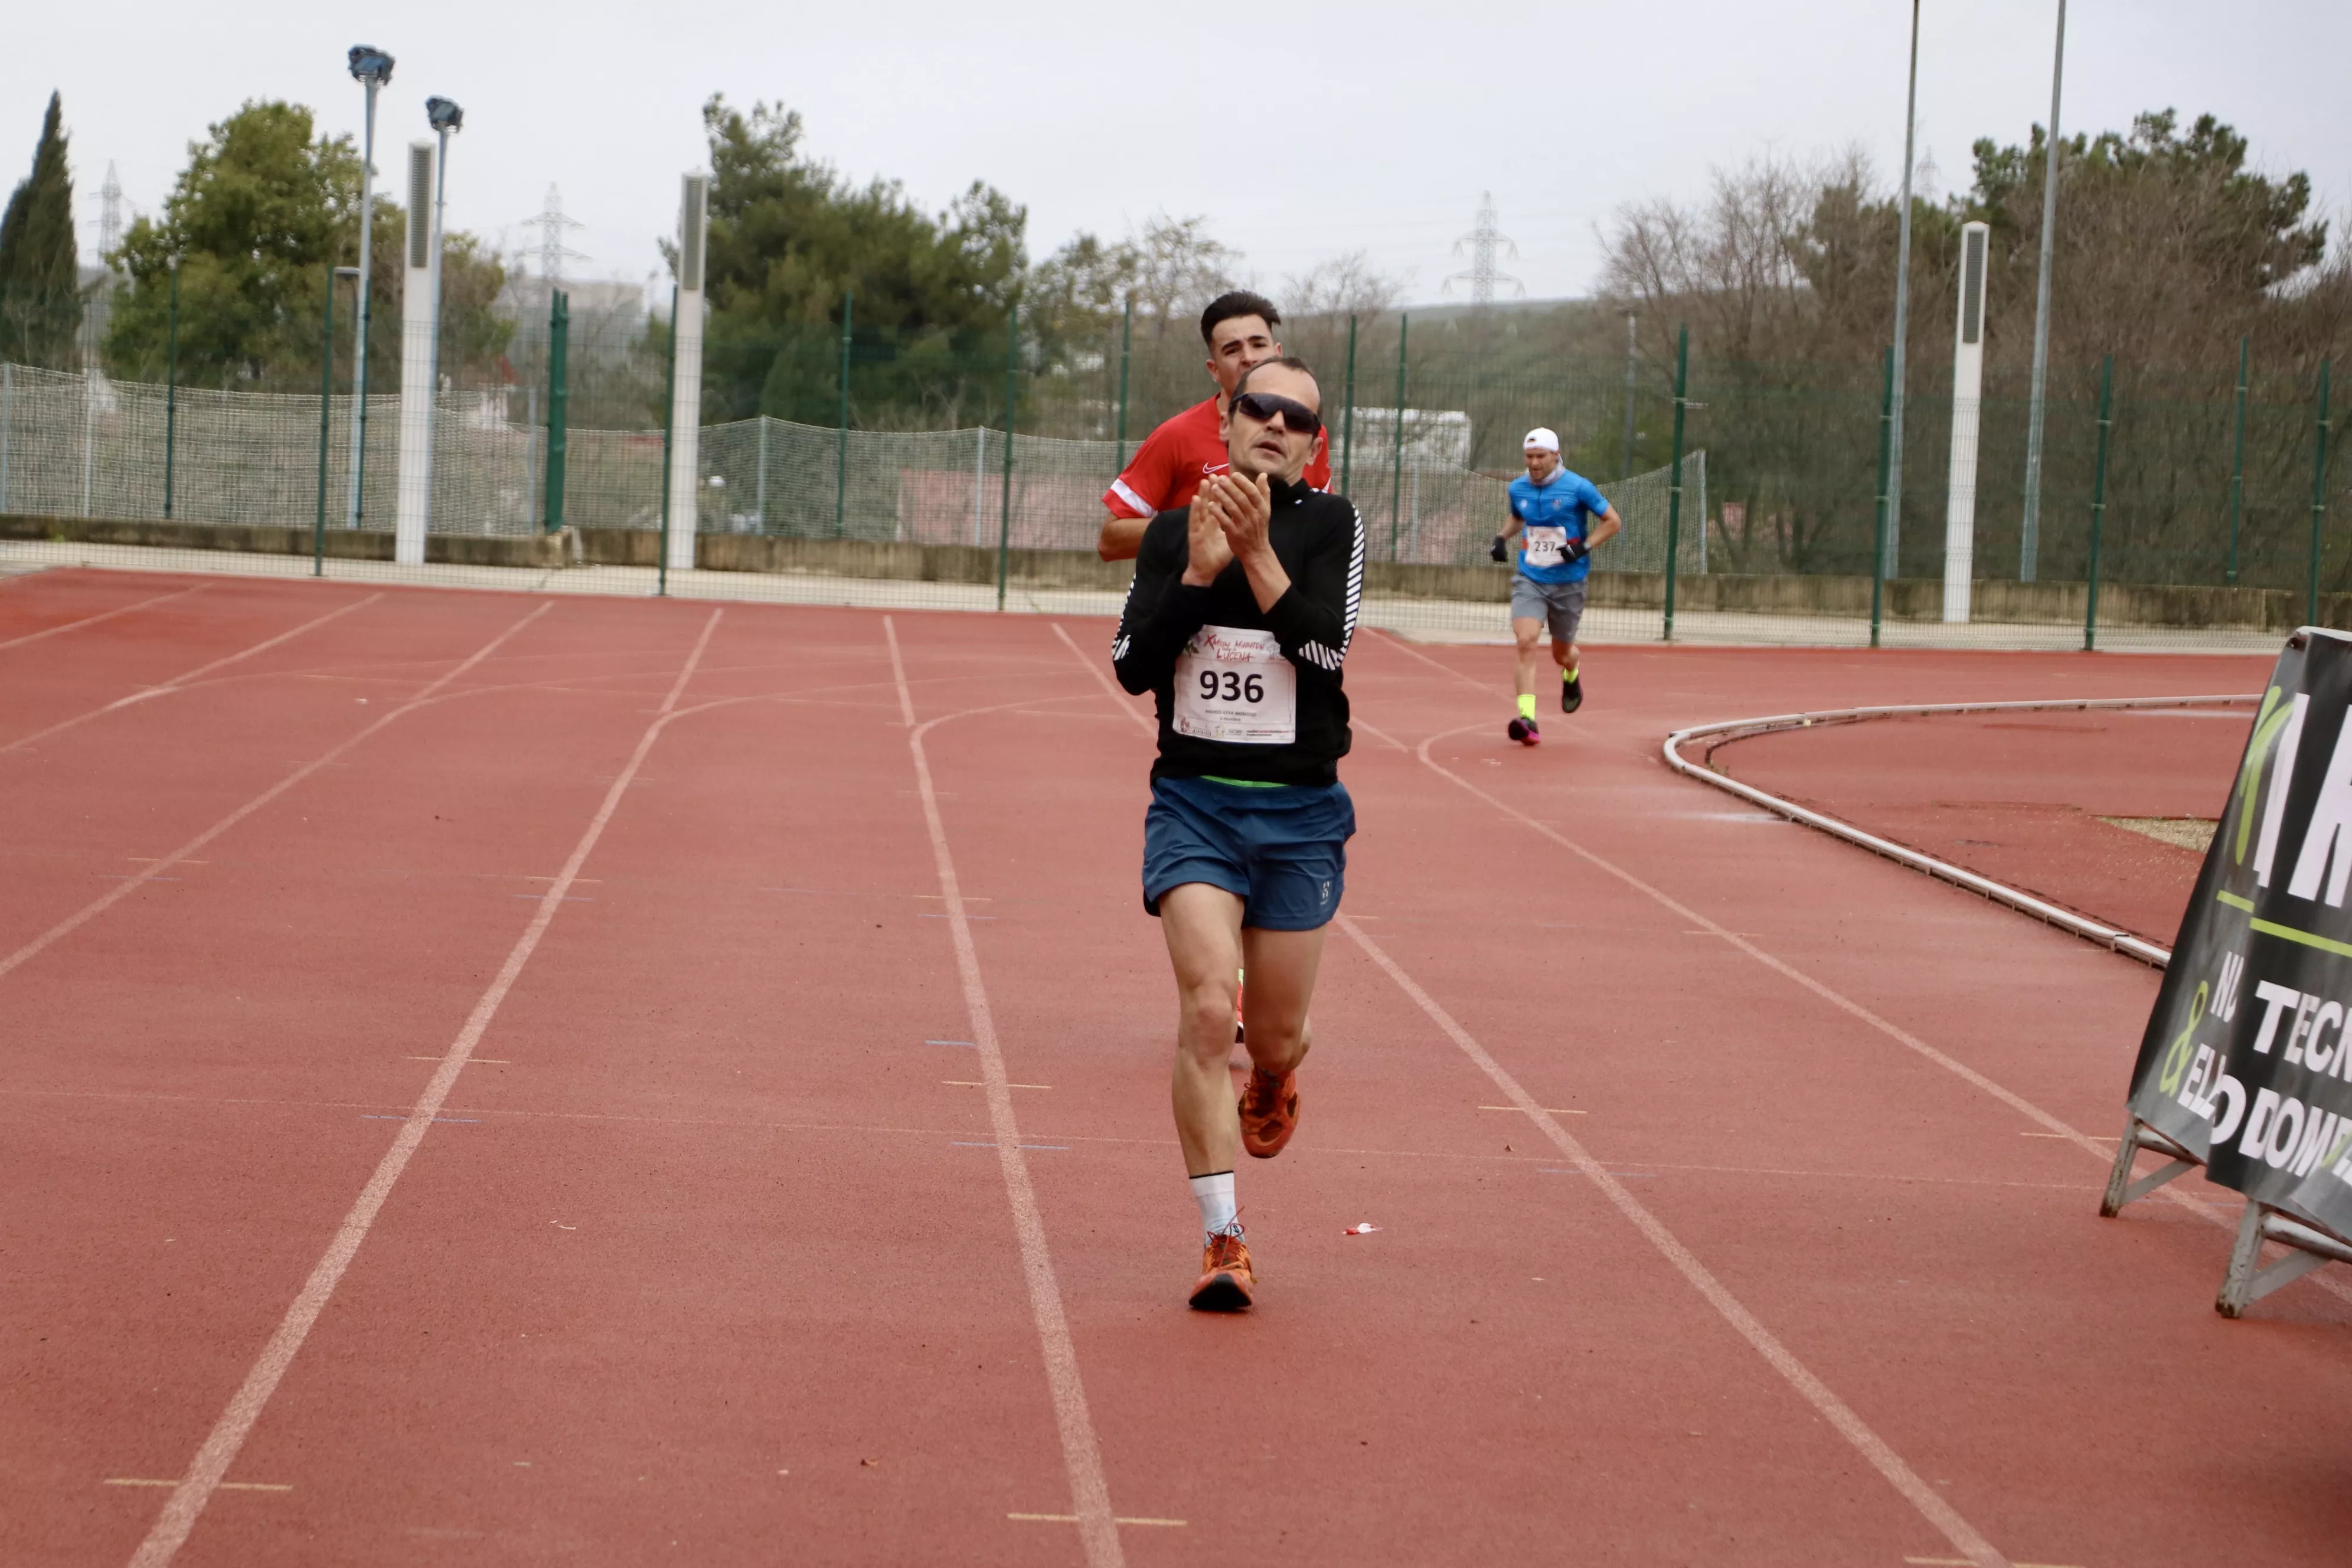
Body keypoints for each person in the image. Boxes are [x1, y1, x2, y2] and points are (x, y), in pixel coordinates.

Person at [1111, 357, 1363, 1311]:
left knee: (1279, 1034)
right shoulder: (1171, 534)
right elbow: (1135, 669)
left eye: (1293, 417)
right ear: (1226, 419)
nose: (1272, 423)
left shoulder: (1331, 527)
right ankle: (1222, 1239)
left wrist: (1254, 555)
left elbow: (1322, 653)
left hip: (1298, 815)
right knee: (1208, 1007)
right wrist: (1196, 571)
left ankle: (1274, 1078)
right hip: (1194, 807)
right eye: (1255, 406)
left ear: (1310, 444)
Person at [1096, 290, 1333, 564]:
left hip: (1276, 599)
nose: (1248, 358)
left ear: (1278, 354)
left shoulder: (1309, 435)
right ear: (1214, 370)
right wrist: (1205, 521)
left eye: (1258, 344)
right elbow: (1109, 541)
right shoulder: (1176, 435)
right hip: (1191, 598)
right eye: (1232, 350)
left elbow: (1322, 526)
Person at [1489, 427, 1622, 745]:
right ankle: (1528, 719)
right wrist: (1500, 538)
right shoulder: (1518, 487)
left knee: (1562, 654)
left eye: (1541, 457)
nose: (1534, 463)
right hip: (1530, 578)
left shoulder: (1579, 487)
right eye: (1529, 457)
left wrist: (1584, 547)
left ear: (1555, 455)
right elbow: (1518, 517)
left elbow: (1613, 522)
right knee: (1526, 641)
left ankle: (1572, 673)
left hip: (1569, 583)